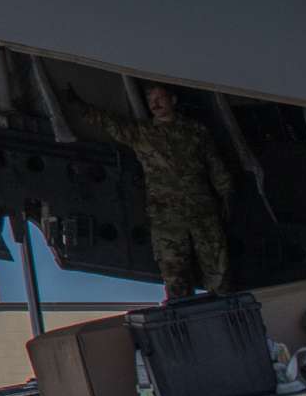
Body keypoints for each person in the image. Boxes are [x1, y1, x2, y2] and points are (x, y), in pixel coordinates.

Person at [74, 85, 236, 302]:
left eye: (160, 98)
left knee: (217, 265)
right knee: (174, 271)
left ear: (174, 100)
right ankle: (181, 317)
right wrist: (80, 107)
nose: (155, 104)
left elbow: (214, 164)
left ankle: (226, 310)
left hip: (201, 210)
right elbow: (111, 123)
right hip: (167, 217)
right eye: (150, 99)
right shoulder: (144, 134)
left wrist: (226, 192)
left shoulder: (195, 132)